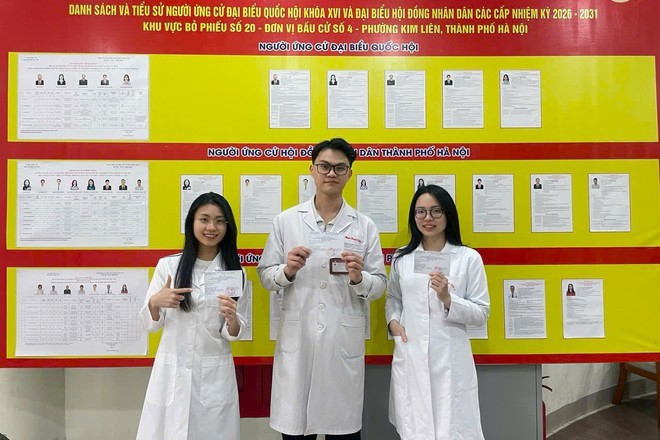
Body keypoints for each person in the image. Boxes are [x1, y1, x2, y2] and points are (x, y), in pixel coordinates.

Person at [258, 138, 387, 439]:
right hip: (299, 341)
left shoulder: (364, 226)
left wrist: (359, 278)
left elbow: (380, 285)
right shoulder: (286, 221)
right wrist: (287, 271)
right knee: (295, 430)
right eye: (324, 166)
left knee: (342, 430)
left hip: (340, 343)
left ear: (349, 174)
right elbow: (265, 276)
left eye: (340, 168)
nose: (331, 173)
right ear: (312, 170)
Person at [137, 192, 246, 439]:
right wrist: (155, 302)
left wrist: (232, 319)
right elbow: (150, 325)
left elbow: (234, 333)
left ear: (228, 226)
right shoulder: (169, 266)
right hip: (172, 372)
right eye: (204, 219)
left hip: (213, 375)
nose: (211, 227)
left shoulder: (234, 272)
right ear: (192, 223)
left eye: (219, 221)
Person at [386, 184, 490, 440]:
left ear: (448, 214)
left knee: (452, 428)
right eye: (420, 212)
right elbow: (394, 298)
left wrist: (448, 299)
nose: (428, 218)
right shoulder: (402, 258)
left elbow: (481, 313)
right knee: (415, 428)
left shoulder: (468, 258)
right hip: (412, 354)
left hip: (450, 359)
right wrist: (393, 323)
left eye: (436, 211)